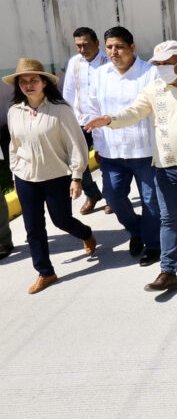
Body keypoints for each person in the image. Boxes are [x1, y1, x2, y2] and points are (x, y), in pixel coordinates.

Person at [86, 41, 177, 292]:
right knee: (168, 219)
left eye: (165, 64)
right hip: (166, 166)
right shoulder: (154, 89)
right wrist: (110, 119)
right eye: (156, 64)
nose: (160, 69)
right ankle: (168, 271)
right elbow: (134, 112)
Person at [3, 58, 96, 294]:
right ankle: (45, 272)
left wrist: (76, 177)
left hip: (56, 176)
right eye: (23, 82)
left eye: (33, 80)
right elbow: (14, 145)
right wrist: (15, 171)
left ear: (44, 82)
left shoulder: (60, 110)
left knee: (61, 221)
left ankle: (85, 234)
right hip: (26, 178)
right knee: (33, 227)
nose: (28, 85)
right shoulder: (14, 111)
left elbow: (77, 145)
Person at [86, 26, 161, 266]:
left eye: (119, 46)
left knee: (151, 201)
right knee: (113, 196)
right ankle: (136, 230)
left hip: (146, 150)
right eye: (109, 47)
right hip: (112, 151)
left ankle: (152, 244)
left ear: (132, 47)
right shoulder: (100, 74)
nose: (113, 52)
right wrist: (98, 145)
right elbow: (93, 111)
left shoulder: (150, 73)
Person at [62, 27, 108, 214]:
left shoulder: (108, 62)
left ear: (97, 43)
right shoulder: (75, 62)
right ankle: (93, 193)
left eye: (86, 44)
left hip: (105, 122)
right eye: (78, 46)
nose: (82, 49)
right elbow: (68, 91)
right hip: (80, 121)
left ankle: (113, 196)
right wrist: (66, 117)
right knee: (76, 160)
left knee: (108, 161)